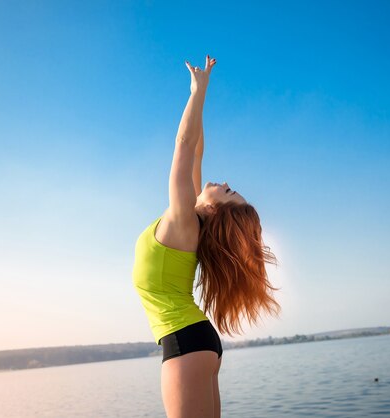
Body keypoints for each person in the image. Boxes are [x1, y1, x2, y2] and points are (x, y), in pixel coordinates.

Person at [132, 55, 281, 418]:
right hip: (193, 341)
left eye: (230, 193)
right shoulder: (192, 222)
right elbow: (197, 149)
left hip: (186, 343)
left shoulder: (184, 221)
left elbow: (183, 146)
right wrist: (203, 93)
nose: (226, 183)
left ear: (216, 210)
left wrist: (197, 92)